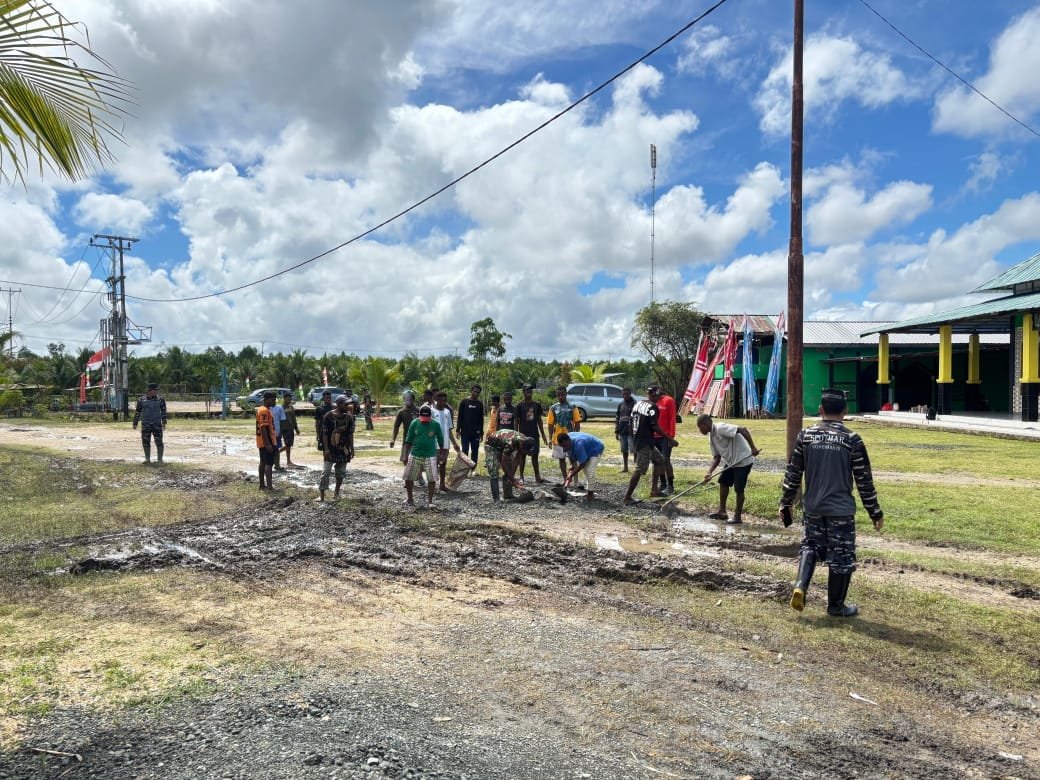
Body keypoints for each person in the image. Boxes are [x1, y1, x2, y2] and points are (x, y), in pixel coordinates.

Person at [780, 389, 884, 618]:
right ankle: (836, 606)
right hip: (841, 511)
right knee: (842, 556)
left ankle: (800, 585)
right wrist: (875, 512)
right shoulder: (852, 440)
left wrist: (785, 503)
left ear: (821, 410)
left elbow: (793, 474)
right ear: (845, 412)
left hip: (813, 508)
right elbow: (864, 480)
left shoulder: (805, 436)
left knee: (811, 546)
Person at [697, 414, 761, 525]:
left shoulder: (720, 428)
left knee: (739, 489)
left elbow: (743, 429)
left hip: (742, 461)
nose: (699, 430)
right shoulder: (712, 436)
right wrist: (709, 472)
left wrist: (753, 447)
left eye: (699, 427)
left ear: (705, 424)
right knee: (723, 482)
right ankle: (722, 512)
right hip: (731, 463)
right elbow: (717, 457)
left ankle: (737, 517)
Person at [622, 386, 677, 505]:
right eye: (657, 396)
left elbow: (630, 423)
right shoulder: (653, 407)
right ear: (655, 395)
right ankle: (627, 497)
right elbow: (655, 426)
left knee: (660, 460)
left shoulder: (638, 404)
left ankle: (654, 490)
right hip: (645, 442)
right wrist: (670, 438)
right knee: (640, 469)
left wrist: (633, 439)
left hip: (641, 440)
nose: (658, 398)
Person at [403, 404, 443, 508]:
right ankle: (410, 498)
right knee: (408, 477)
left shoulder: (435, 424)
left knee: (432, 479)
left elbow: (440, 439)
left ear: (431, 416)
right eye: (423, 418)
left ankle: (430, 501)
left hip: (430, 455)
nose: (425, 420)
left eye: (427, 418)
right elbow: (408, 439)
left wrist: (441, 453)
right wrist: (405, 454)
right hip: (415, 453)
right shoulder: (414, 423)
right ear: (419, 415)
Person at [319, 394, 355, 502]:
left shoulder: (349, 418)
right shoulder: (328, 416)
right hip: (330, 449)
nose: (348, 406)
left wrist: (352, 448)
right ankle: (322, 496)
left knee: (340, 473)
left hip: (343, 449)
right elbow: (324, 434)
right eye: (345, 404)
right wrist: (326, 449)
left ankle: (336, 493)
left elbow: (350, 434)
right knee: (325, 472)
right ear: (339, 404)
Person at [484, 428, 536, 502]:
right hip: (492, 446)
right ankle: (496, 499)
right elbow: (504, 463)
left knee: (509, 470)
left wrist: (511, 475)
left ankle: (508, 495)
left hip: (502, 444)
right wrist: (513, 480)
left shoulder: (524, 440)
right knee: (494, 471)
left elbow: (517, 458)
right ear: (522, 445)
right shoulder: (511, 443)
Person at [515, 384, 549, 484]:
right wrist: (516, 435)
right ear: (523, 392)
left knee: (535, 455)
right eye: (526, 390)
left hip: (534, 434)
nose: (528, 392)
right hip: (523, 435)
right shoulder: (519, 405)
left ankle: (537, 476)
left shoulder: (536, 405)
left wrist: (543, 434)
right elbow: (516, 421)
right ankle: (521, 476)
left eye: (530, 390)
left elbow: (539, 420)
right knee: (522, 456)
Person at [556, 432, 604, 504]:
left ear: (568, 440)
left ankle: (590, 494)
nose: (564, 448)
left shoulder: (579, 445)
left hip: (596, 447)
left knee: (589, 471)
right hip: (586, 446)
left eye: (565, 446)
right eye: (562, 446)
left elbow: (582, 464)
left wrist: (571, 475)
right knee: (586, 471)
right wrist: (572, 466)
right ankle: (589, 490)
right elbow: (570, 454)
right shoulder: (566, 442)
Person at [546, 386, 581, 481]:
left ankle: (576, 481)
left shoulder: (572, 407)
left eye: (562, 394)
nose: (560, 397)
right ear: (556, 395)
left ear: (566, 394)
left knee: (573, 459)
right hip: (558, 438)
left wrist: (576, 435)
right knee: (561, 459)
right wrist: (550, 438)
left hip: (570, 437)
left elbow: (577, 422)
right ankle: (566, 479)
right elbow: (550, 424)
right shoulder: (553, 408)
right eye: (558, 395)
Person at [431, 391, 462, 492]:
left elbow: (449, 429)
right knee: (433, 464)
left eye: (445, 401)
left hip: (445, 443)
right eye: (441, 400)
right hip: (434, 443)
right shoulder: (431, 411)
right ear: (437, 400)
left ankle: (442, 484)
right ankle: (433, 485)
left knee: (443, 464)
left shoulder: (447, 412)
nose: (443, 402)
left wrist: (454, 443)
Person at [132, 382, 168, 465]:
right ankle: (147, 459)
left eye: (156, 390)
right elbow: (138, 412)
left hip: (157, 424)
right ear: (149, 391)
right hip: (146, 424)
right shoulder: (141, 400)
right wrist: (135, 423)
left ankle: (160, 460)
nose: (156, 392)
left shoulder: (160, 399)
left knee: (159, 441)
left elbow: (163, 411)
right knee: (145, 441)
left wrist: (164, 422)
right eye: (154, 390)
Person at [653, 387, 678, 494]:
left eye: (653, 395)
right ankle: (662, 483)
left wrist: (671, 436)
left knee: (666, 460)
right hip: (653, 437)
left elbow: (672, 418)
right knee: (657, 462)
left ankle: (670, 485)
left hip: (665, 437)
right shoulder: (652, 401)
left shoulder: (668, 400)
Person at [456, 385, 485, 464]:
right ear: (471, 391)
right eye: (474, 391)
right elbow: (460, 416)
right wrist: (458, 430)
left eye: (478, 392)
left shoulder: (480, 404)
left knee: (475, 451)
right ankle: (464, 469)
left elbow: (481, 419)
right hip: (465, 432)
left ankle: (473, 469)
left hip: (476, 433)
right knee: (465, 450)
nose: (476, 393)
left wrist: (481, 433)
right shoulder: (464, 402)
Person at [256, 390, 278, 491]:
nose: (275, 402)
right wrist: (268, 444)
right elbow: (264, 428)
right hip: (266, 441)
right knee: (269, 463)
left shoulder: (263, 409)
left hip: (263, 441)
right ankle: (269, 486)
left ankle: (261, 485)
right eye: (273, 400)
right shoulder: (264, 411)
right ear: (267, 400)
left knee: (263, 462)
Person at [615, 386, 636, 473]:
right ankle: (625, 467)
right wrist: (616, 431)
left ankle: (636, 467)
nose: (625, 396)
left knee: (634, 450)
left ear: (630, 394)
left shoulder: (635, 404)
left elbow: (636, 418)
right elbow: (617, 418)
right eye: (623, 394)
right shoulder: (620, 404)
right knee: (624, 450)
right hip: (622, 431)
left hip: (632, 432)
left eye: (626, 394)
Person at [281, 391, 301, 468]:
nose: (289, 400)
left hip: (291, 428)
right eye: (287, 399)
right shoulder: (281, 408)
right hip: (284, 428)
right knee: (288, 444)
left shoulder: (291, 407)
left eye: (290, 399)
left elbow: (293, 419)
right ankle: (288, 461)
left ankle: (277, 454)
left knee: (289, 445)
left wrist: (296, 428)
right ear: (284, 399)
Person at [271, 394, 287, 472]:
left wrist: (281, 432)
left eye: (274, 399)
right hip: (269, 433)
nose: (273, 401)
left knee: (277, 449)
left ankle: (277, 465)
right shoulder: (266, 409)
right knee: (269, 449)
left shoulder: (279, 408)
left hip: (277, 432)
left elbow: (282, 420)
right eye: (272, 399)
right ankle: (269, 465)